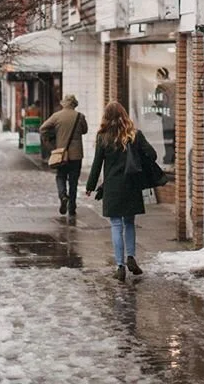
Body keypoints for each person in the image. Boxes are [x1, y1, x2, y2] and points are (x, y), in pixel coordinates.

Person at [85, 101, 158, 282]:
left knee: (116, 225)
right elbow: (153, 154)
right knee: (130, 223)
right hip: (131, 185)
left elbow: (97, 164)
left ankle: (120, 266)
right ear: (124, 115)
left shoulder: (102, 137)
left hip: (113, 186)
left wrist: (90, 186)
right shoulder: (135, 135)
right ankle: (131, 257)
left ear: (106, 117)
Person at [39, 94, 88, 219]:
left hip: (61, 154)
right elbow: (85, 130)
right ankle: (72, 207)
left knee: (60, 176)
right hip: (76, 155)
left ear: (64, 104)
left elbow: (43, 128)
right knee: (73, 181)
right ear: (74, 104)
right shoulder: (80, 116)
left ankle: (63, 196)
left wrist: (50, 144)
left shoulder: (56, 116)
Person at [154, 67, 175, 165]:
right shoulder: (174, 85)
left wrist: (156, 109)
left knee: (167, 139)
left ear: (163, 76)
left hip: (167, 117)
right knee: (175, 139)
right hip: (176, 117)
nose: (156, 77)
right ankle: (174, 158)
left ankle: (169, 159)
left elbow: (161, 104)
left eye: (158, 75)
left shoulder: (160, 88)